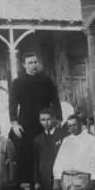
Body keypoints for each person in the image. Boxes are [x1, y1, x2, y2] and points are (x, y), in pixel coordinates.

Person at [8, 52, 61, 180]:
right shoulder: (18, 82)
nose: (33, 65)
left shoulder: (46, 80)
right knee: (26, 153)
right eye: (30, 63)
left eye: (35, 62)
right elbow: (13, 104)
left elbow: (55, 100)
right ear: (24, 65)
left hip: (45, 122)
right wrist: (14, 123)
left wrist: (58, 119)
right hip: (27, 123)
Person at [52, 114, 95, 190]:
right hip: (67, 178)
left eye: (74, 125)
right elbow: (59, 161)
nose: (72, 128)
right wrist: (56, 178)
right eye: (70, 126)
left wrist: (94, 179)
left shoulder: (90, 139)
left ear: (80, 124)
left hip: (82, 177)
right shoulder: (66, 140)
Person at [32, 108, 67, 190]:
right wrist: (36, 181)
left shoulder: (63, 135)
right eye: (43, 120)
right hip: (44, 180)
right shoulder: (37, 139)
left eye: (48, 119)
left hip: (61, 178)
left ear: (54, 119)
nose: (46, 123)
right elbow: (35, 161)